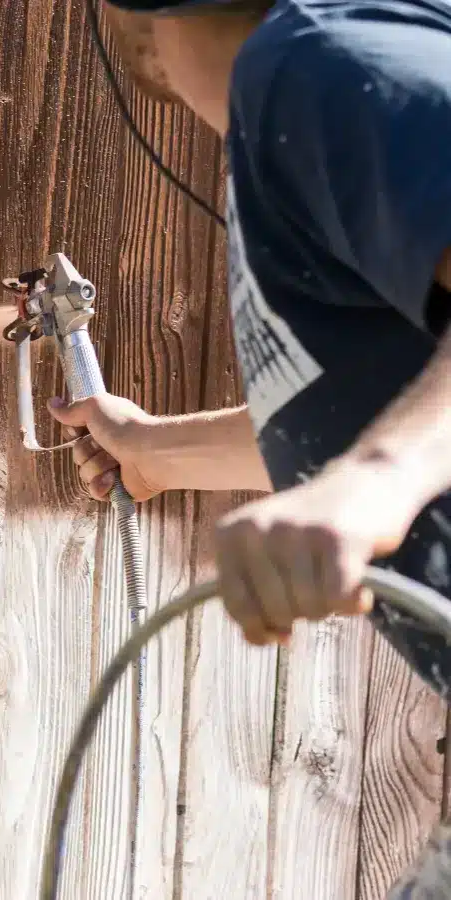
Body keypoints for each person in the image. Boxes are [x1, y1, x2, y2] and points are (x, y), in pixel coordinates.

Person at [47, 0, 451, 890]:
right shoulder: (318, 93)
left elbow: (380, 460)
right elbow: (380, 412)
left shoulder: (310, 67)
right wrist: (155, 448)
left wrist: (374, 486)